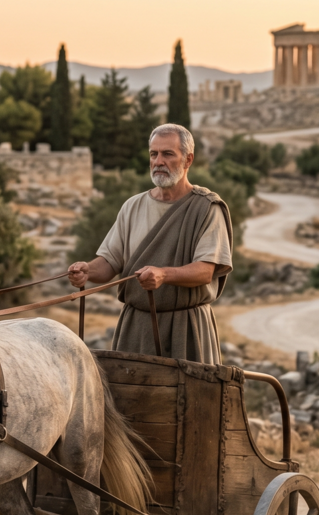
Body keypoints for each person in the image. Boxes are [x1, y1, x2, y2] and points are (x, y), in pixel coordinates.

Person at [68, 123, 233, 363]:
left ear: (188, 160)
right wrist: (87, 270)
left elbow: (205, 271)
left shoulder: (206, 208)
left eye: (168, 154)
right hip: (135, 328)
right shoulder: (132, 206)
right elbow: (111, 261)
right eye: (153, 154)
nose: (158, 161)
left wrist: (164, 274)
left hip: (187, 329)